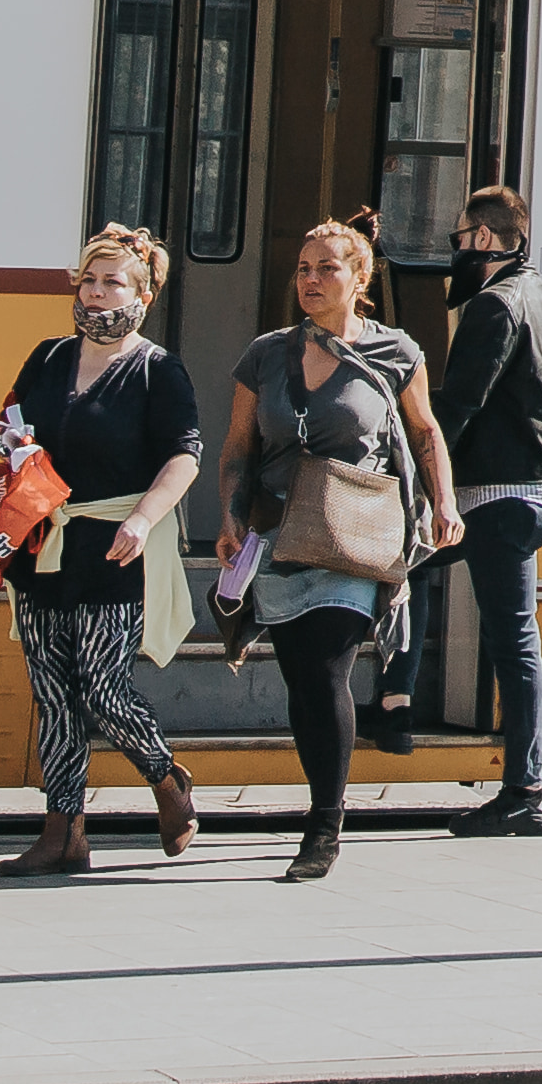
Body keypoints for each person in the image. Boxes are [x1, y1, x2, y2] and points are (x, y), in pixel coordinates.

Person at [226, 216, 451, 880]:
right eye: (303, 268)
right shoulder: (264, 355)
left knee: (328, 668)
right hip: (280, 533)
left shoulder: (396, 352)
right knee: (302, 680)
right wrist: (233, 517)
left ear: (361, 278)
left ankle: (323, 826)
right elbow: (239, 446)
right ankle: (323, 806)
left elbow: (425, 433)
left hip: (356, 537)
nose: (311, 280)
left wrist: (443, 502)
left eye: (327, 268)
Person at [0, 224, 206, 874]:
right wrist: (11, 445)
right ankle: (63, 833)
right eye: (88, 279)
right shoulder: (49, 356)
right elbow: (11, 421)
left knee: (105, 689)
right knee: (53, 693)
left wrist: (143, 520)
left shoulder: (156, 369)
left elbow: (183, 456)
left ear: (143, 291)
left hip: (115, 544)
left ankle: (167, 779)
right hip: (45, 541)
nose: (95, 292)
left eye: (112, 280)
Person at [425, 182, 542, 838]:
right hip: (539, 490)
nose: (456, 251)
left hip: (498, 493)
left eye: (459, 239)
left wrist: (421, 482)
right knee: (514, 637)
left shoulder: (494, 306)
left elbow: (459, 405)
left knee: (514, 640)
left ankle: (527, 793)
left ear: (484, 239)